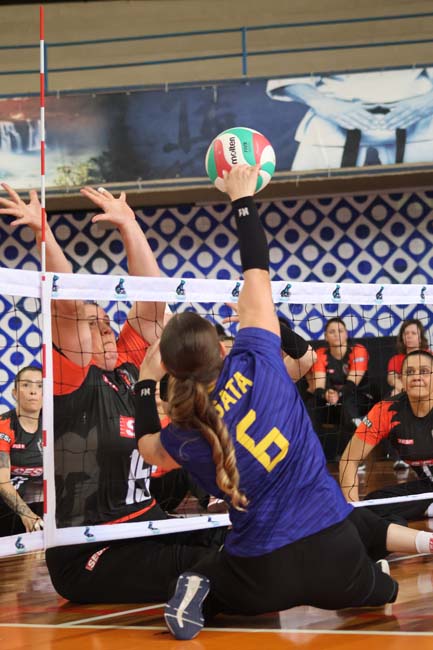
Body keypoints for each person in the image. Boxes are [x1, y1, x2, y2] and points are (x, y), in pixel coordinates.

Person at [136, 164, 400, 641]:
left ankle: (206, 592)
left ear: (172, 371)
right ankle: (371, 578)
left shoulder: (184, 432)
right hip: (333, 551)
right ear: (221, 349)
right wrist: (242, 198)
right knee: (384, 589)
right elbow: (256, 269)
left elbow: (147, 448)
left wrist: (143, 381)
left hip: (261, 571)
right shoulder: (257, 359)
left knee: (215, 573)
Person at [0, 183, 226, 605]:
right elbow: (67, 305)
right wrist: (43, 232)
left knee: (237, 537)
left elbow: (152, 300)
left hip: (144, 523)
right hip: (89, 549)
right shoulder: (71, 379)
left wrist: (129, 225)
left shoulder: (127, 368)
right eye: (93, 323)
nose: (105, 326)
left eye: (107, 320)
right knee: (200, 565)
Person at [266, 68, 433, 170]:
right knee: (312, 206)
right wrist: (323, 103)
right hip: (333, 123)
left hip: (418, 122)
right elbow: (288, 75)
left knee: (422, 203)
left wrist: (427, 102)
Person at [339, 350, 433, 523]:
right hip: (427, 488)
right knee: (371, 505)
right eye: (409, 372)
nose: (416, 377)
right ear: (401, 379)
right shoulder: (386, 410)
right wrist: (353, 511)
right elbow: (348, 461)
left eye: (424, 371)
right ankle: (428, 508)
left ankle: (424, 508)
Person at [305, 317, 372, 459]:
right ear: (326, 336)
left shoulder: (358, 350)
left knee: (347, 403)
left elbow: (352, 384)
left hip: (360, 397)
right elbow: (318, 387)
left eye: (340, 331)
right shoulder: (320, 354)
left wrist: (338, 395)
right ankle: (312, 455)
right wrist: (326, 394)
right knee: (312, 405)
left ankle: (353, 456)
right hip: (334, 400)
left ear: (346, 334)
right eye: (332, 332)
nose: (336, 334)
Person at [0, 366, 43, 536]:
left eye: (39, 386)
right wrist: (27, 514)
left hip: (41, 500)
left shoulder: (55, 424)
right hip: (8, 505)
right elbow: (2, 482)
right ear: (15, 393)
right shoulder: (4, 425)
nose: (33, 391)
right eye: (26, 385)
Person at [387, 319, 429, 396]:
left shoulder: (429, 355)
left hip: (427, 388)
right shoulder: (396, 359)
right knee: (395, 393)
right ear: (402, 337)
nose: (409, 336)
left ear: (421, 338)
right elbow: (392, 378)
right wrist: (404, 389)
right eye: (406, 333)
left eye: (413, 333)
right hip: (405, 390)